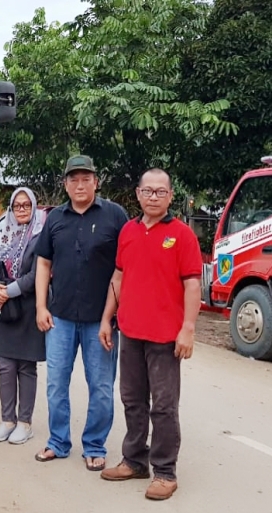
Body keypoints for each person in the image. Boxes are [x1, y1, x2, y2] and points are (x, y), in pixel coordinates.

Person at [98, 169, 201, 500]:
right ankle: (134, 460)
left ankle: (165, 472)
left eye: (161, 192)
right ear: (138, 194)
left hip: (165, 337)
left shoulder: (182, 235)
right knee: (132, 400)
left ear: (170, 196)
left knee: (164, 406)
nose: (154, 197)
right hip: (130, 332)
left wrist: (187, 328)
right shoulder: (128, 231)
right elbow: (118, 276)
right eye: (148, 191)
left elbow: (192, 284)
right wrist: (106, 319)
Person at [33, 155, 130, 471]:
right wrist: (40, 306)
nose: (79, 184)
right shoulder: (55, 218)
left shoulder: (115, 216)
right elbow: (44, 263)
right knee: (56, 384)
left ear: (95, 182)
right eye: (73, 179)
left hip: (100, 322)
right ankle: (58, 442)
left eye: (85, 178)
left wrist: (111, 316)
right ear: (65, 184)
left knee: (101, 386)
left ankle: (94, 445)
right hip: (59, 317)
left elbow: (123, 268)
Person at [0, 187, 47, 444]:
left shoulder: (40, 236)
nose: (21, 210)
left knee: (25, 367)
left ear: (33, 207)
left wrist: (8, 291)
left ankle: (25, 423)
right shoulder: (4, 235)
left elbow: (36, 274)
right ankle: (7, 420)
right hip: (4, 308)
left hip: (28, 306)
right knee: (4, 367)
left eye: (26, 205)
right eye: (16, 206)